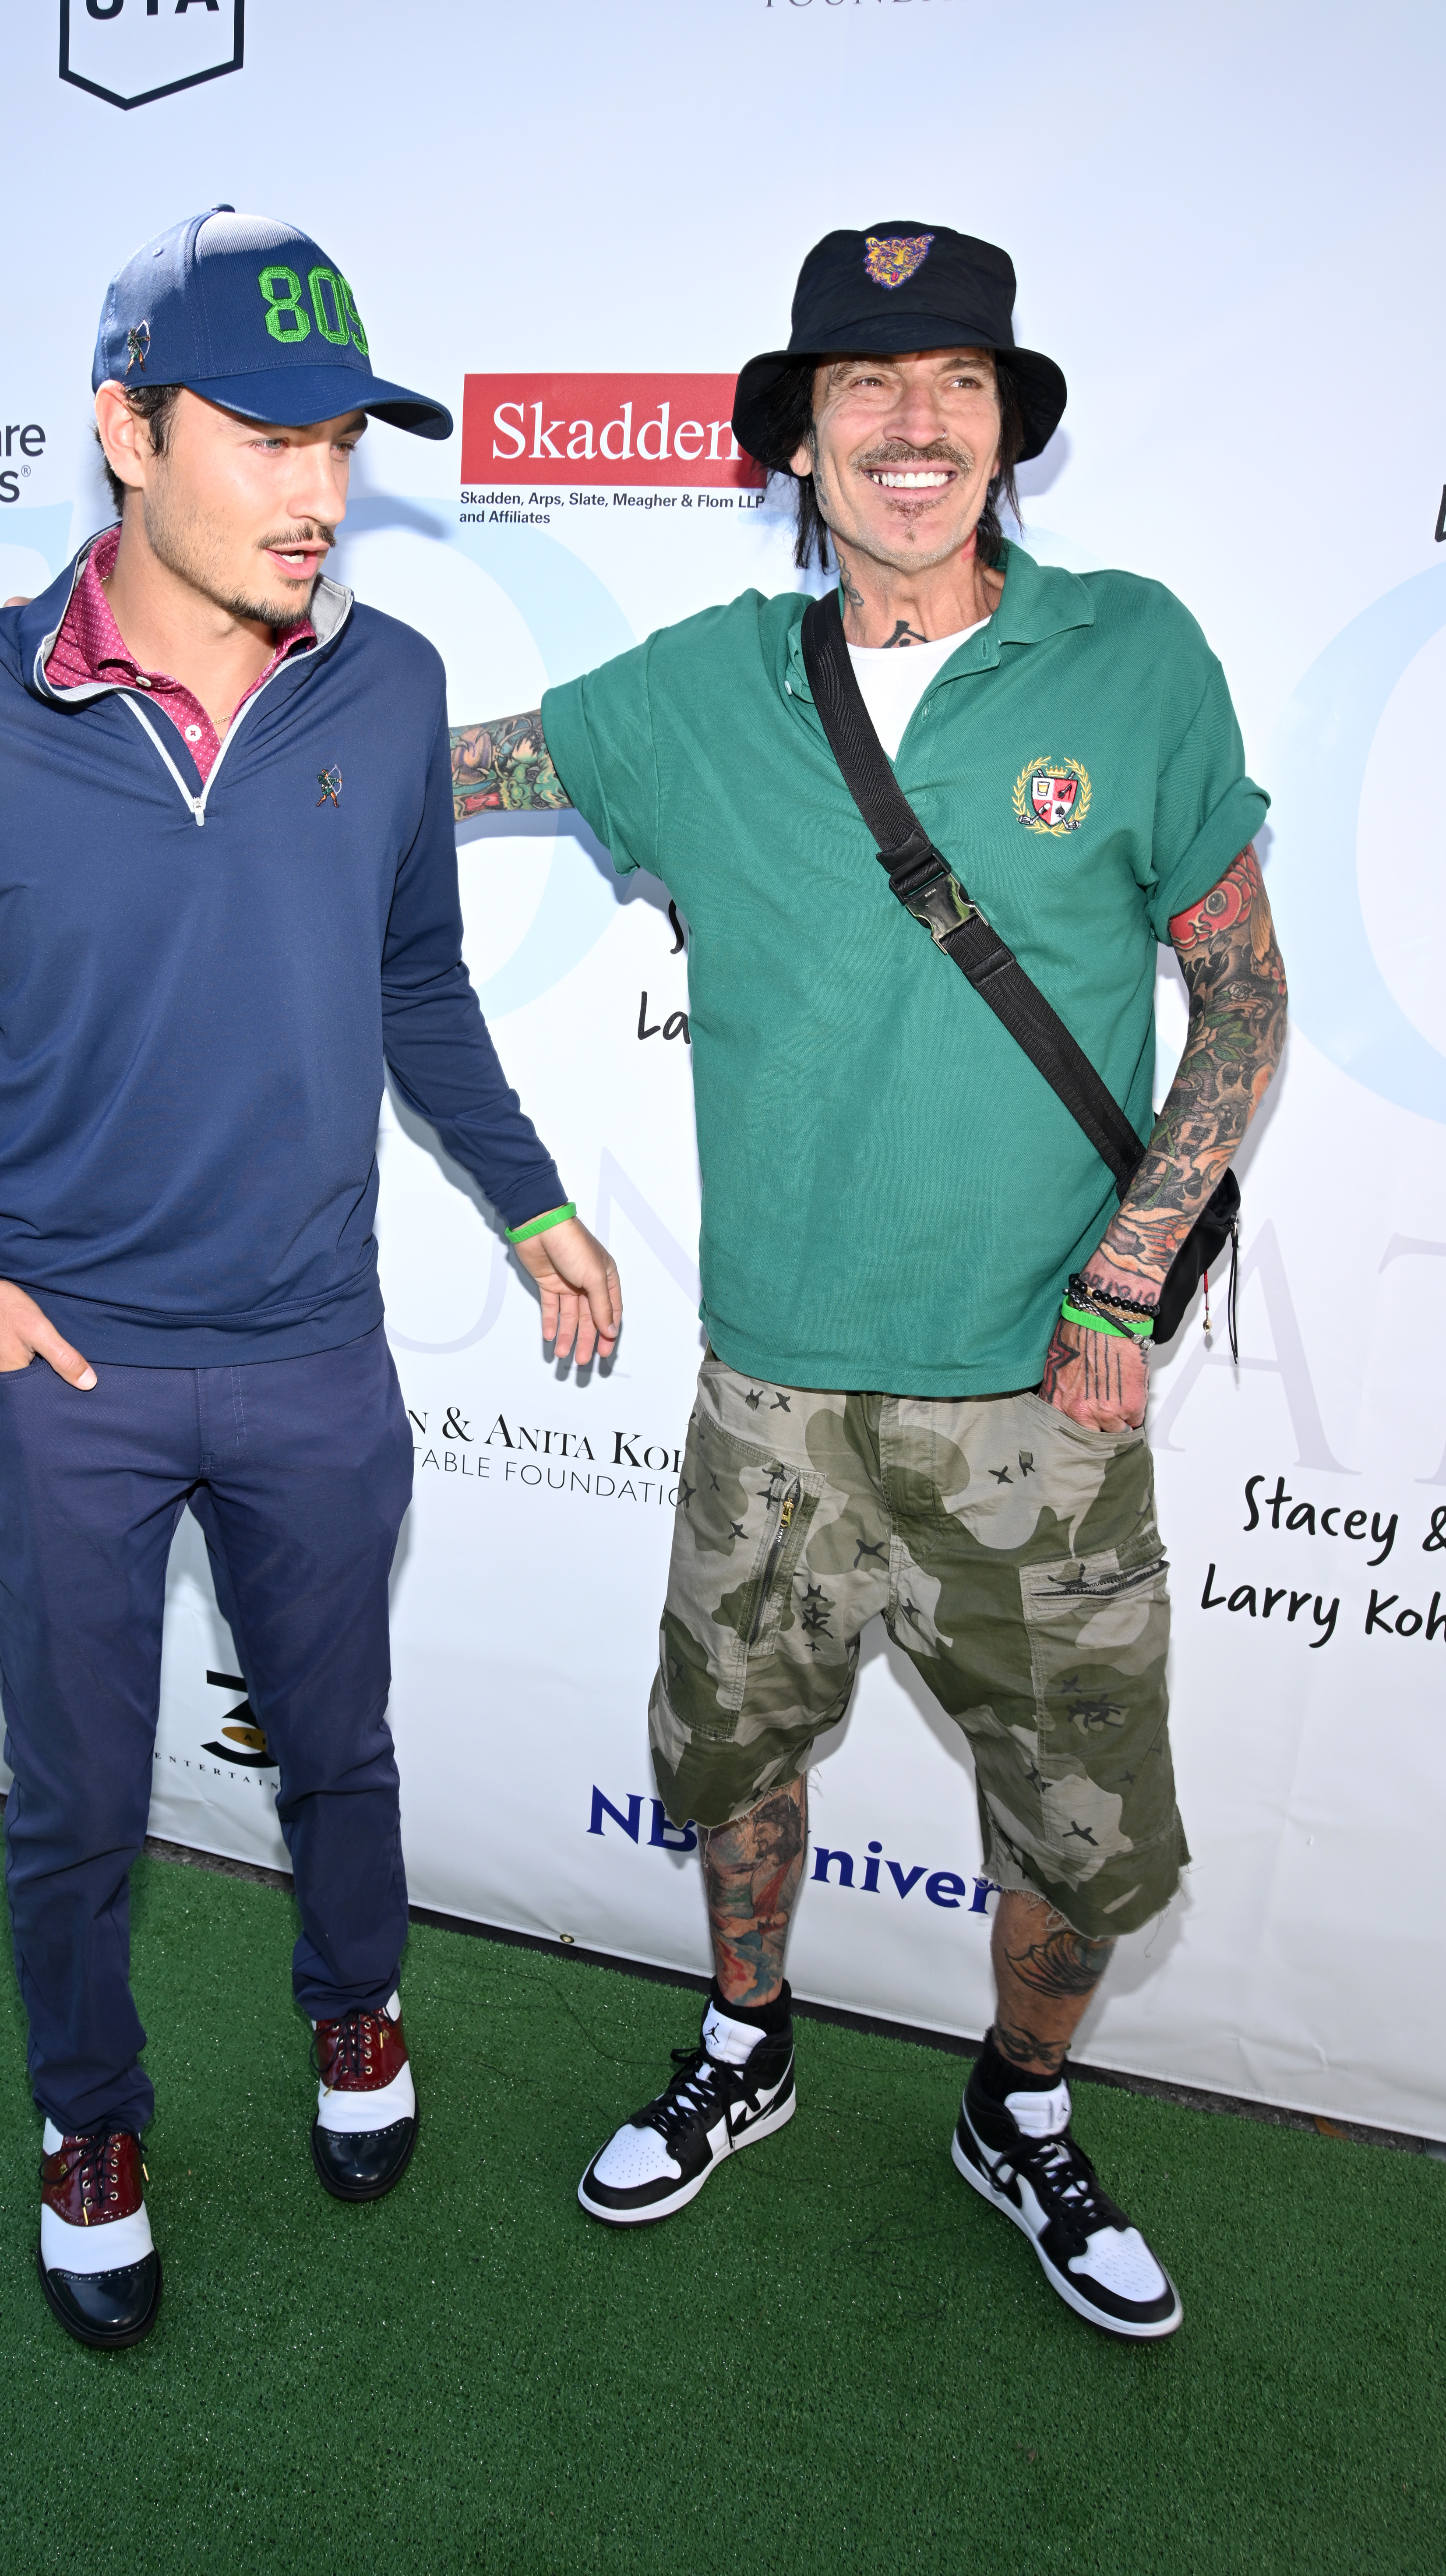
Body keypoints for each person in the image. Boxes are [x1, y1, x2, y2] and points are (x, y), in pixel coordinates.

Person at [449, 222, 1285, 2339]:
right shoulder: (701, 694)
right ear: (799, 439)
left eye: (957, 385)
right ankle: (748, 2042)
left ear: (1004, 428)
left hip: (1042, 1406)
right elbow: (453, 771)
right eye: (865, 387)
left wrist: (1123, 1279)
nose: (914, 426)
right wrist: (226, 693)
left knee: (1085, 1847)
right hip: (771, 1399)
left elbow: (1244, 1000)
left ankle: (1020, 2106)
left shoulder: (1135, 655)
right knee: (732, 1766)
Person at [0, 207, 619, 2350]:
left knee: (334, 1744)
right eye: (265, 433)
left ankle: (356, 2006)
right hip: (61, 1363)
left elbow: (418, 981)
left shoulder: (393, 683)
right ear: (125, 430)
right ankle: (91, 2121)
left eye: (341, 435)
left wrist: (531, 1201)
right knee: (78, 1796)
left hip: (309, 1357)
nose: (319, 486)